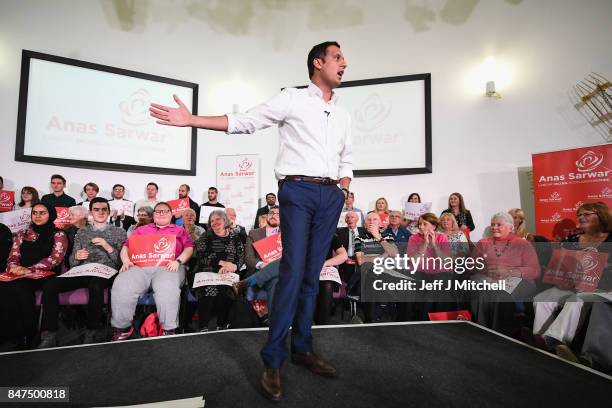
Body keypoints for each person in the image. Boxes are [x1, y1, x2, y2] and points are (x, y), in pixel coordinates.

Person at [150, 40, 351, 401]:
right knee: (291, 273)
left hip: (330, 195)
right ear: (318, 63)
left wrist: (343, 187)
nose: (344, 63)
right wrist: (193, 119)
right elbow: (246, 122)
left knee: (312, 274)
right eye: (338, 57)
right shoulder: (292, 97)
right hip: (298, 191)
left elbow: (347, 156)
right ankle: (273, 359)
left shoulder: (343, 113)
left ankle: (302, 349)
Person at [37, 198, 127, 348]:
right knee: (50, 285)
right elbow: (72, 262)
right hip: (83, 271)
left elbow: (121, 262)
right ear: (91, 212)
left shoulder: (119, 232)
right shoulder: (82, 232)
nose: (100, 212)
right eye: (96, 209)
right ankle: (49, 332)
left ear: (109, 212)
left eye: (104, 209)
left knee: (95, 285)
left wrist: (107, 246)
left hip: (106, 272)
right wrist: (76, 257)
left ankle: (92, 330)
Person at [526, 202, 611, 351]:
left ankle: (554, 342)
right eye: (579, 215)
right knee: (542, 299)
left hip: (601, 288)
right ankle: (538, 337)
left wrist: (606, 266)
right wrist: (560, 280)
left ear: (601, 216)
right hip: (571, 285)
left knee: (576, 300)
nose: (581, 217)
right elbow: (560, 264)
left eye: (587, 214)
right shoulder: (572, 238)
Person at [111, 202, 194, 340]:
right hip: (140, 266)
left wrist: (178, 261)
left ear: (171, 214)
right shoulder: (141, 230)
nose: (161, 214)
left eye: (165, 211)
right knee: (122, 284)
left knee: (167, 287)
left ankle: (168, 329)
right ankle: (123, 327)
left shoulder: (179, 230)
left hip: (169, 265)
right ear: (153, 215)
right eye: (158, 211)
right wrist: (126, 261)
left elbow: (189, 248)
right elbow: (126, 246)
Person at [0, 203, 68, 348]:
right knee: (4, 287)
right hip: (19, 272)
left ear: (50, 215)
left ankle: (28, 334)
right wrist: (14, 267)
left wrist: (28, 269)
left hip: (44, 273)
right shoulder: (22, 233)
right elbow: (13, 254)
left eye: (42, 213)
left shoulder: (59, 234)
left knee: (21, 287)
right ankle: (8, 333)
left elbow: (55, 258)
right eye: (35, 212)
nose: (37, 216)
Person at [470, 212, 540, 334]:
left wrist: (509, 272)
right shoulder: (484, 242)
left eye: (498, 224)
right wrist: (486, 269)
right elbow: (471, 265)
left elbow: (534, 270)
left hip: (518, 280)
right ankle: (482, 331)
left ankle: (501, 334)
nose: (494, 227)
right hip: (489, 278)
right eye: (492, 224)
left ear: (510, 227)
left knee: (500, 294)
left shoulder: (523, 244)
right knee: (478, 291)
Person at [190, 210, 244, 331]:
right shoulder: (206, 236)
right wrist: (222, 263)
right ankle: (203, 326)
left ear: (224, 220)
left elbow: (240, 256)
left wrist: (234, 266)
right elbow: (201, 254)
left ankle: (222, 325)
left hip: (230, 272)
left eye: (217, 219)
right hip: (206, 270)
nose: (214, 222)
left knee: (225, 291)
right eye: (212, 221)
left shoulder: (235, 237)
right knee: (209, 290)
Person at [236, 206, 281, 311]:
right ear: (267, 216)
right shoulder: (254, 233)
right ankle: (275, 322)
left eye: (278, 214)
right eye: (271, 213)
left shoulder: (288, 234)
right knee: (276, 281)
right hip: (260, 271)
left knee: (278, 274)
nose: (274, 215)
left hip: (283, 273)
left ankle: (248, 282)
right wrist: (261, 264)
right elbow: (248, 258)